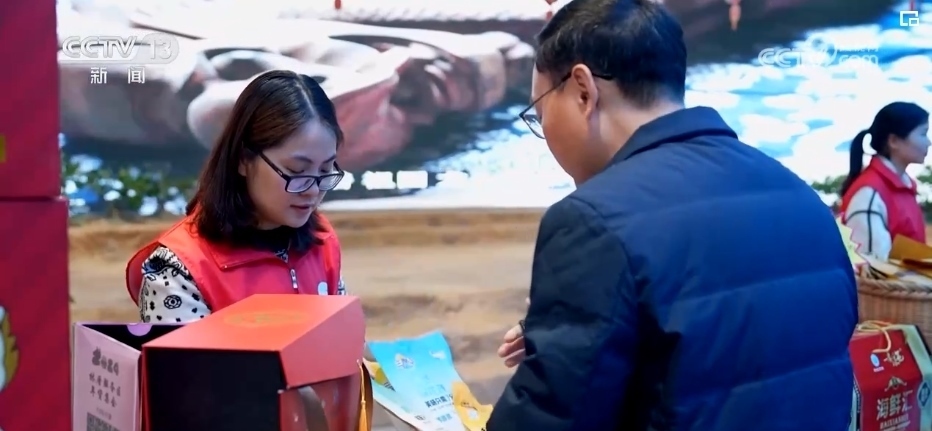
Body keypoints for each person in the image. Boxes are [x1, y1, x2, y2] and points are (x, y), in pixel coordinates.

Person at [489, 0, 857, 430]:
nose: (545, 133)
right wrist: (573, 323)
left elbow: (551, 418)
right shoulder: (800, 198)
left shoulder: (593, 220)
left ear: (583, 91)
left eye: (540, 115)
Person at [125, 70, 348, 323]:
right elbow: (179, 352)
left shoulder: (321, 239)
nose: (313, 190)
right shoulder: (178, 269)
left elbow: (344, 338)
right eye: (296, 171)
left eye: (325, 170)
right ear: (243, 159)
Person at [839, 102, 930, 259]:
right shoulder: (868, 194)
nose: (929, 142)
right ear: (893, 141)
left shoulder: (905, 187)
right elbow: (872, 268)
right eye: (923, 134)